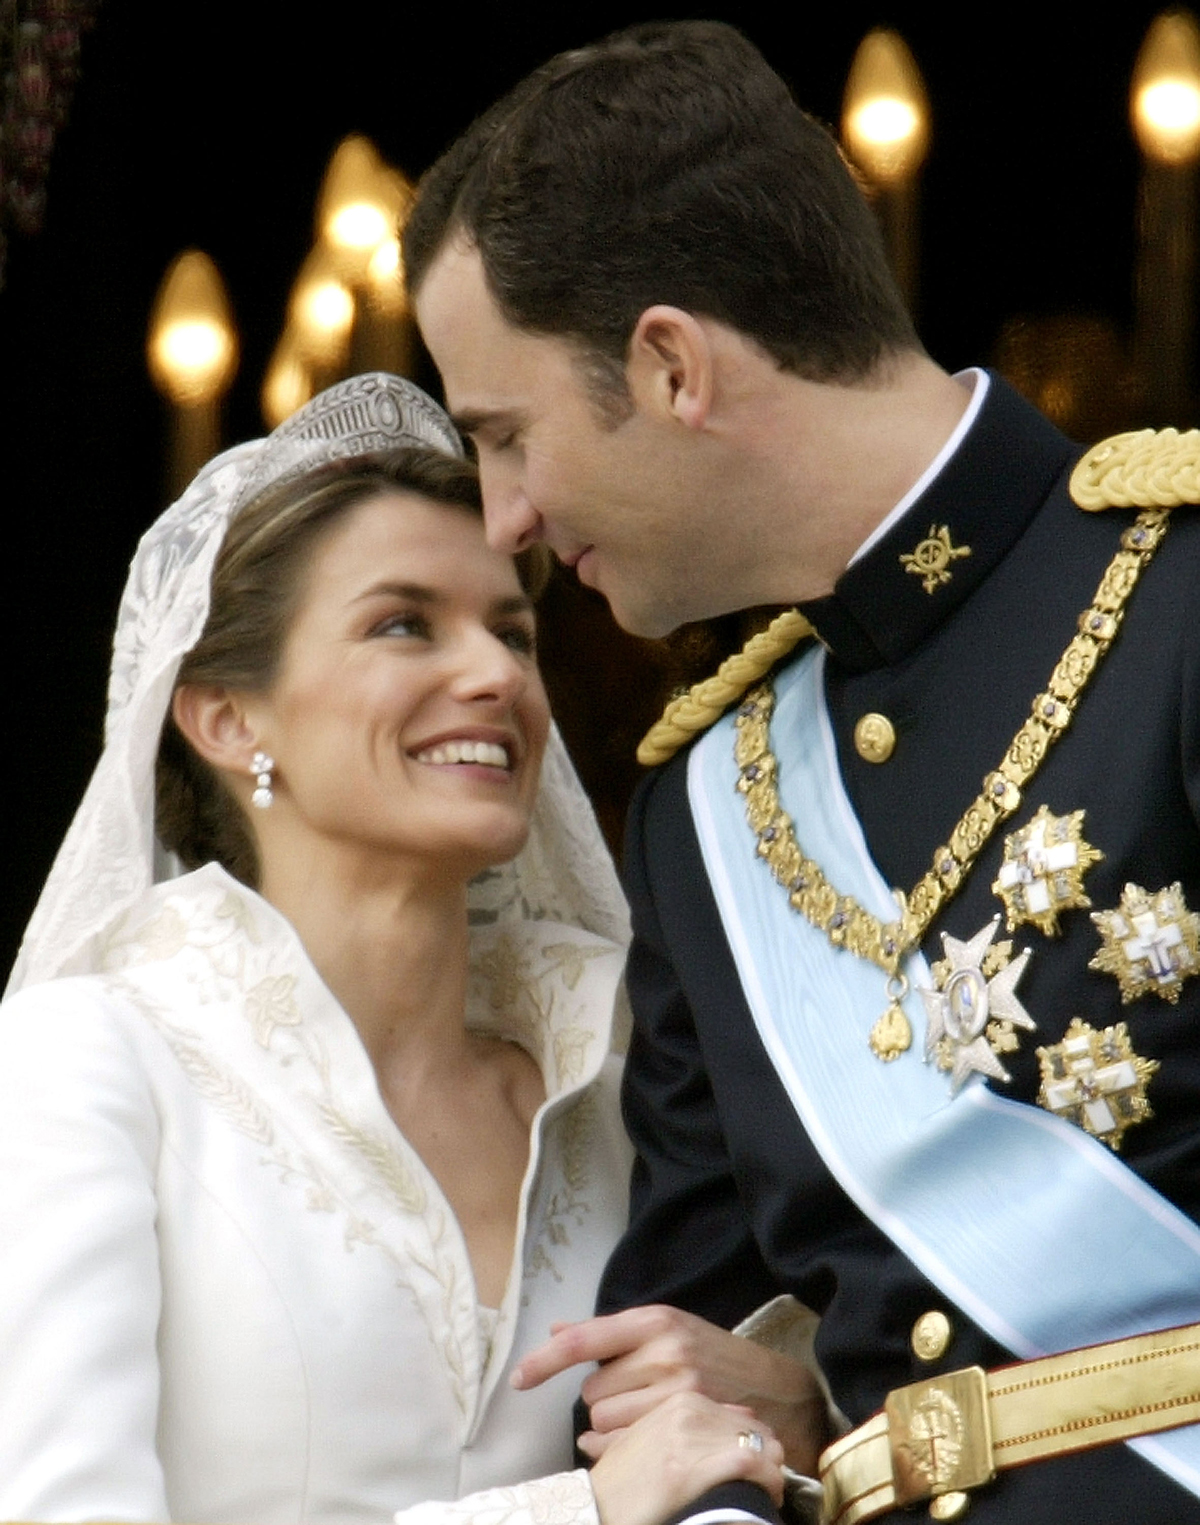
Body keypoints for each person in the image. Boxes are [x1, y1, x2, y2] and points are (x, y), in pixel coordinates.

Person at [403, 20, 1200, 1524]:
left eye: (506, 436)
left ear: (670, 365)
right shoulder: (704, 814)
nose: (501, 517)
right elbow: (671, 1389)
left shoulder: (1179, 608)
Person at [0, 371, 799, 1524]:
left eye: (512, 632)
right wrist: (573, 1512)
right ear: (227, 716)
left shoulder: (630, 1072)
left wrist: (799, 1402)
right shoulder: (88, 1061)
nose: (494, 676)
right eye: (402, 623)